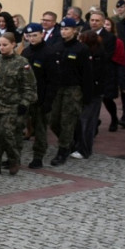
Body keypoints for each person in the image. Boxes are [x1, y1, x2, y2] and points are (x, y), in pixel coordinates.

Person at [0, 33, 37, 175]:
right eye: (0, 45)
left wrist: (24, 103)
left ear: (13, 44)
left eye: (5, 45)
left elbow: (30, 86)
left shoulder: (21, 63)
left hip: (12, 106)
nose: (1, 47)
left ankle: (14, 159)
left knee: (6, 132)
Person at [48, 18, 93, 166]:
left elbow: (87, 74)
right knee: (54, 121)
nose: (64, 31)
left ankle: (63, 151)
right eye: (62, 29)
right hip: (58, 88)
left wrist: (86, 96)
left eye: (67, 29)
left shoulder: (81, 49)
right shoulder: (56, 46)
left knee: (67, 121)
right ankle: (70, 141)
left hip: (73, 89)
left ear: (74, 30)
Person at [20, 22, 58, 169]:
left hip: (41, 97)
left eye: (35, 35)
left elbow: (53, 80)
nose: (32, 38)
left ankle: (38, 156)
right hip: (26, 97)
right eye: (29, 36)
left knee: (40, 129)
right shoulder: (26, 52)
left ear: (42, 34)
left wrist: (48, 101)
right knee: (18, 126)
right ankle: (14, 156)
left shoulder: (49, 53)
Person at [73, 30, 107, 159]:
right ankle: (79, 146)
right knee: (82, 120)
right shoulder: (90, 53)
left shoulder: (97, 54)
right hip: (87, 91)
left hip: (93, 93)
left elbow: (95, 75)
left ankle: (85, 149)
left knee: (86, 121)